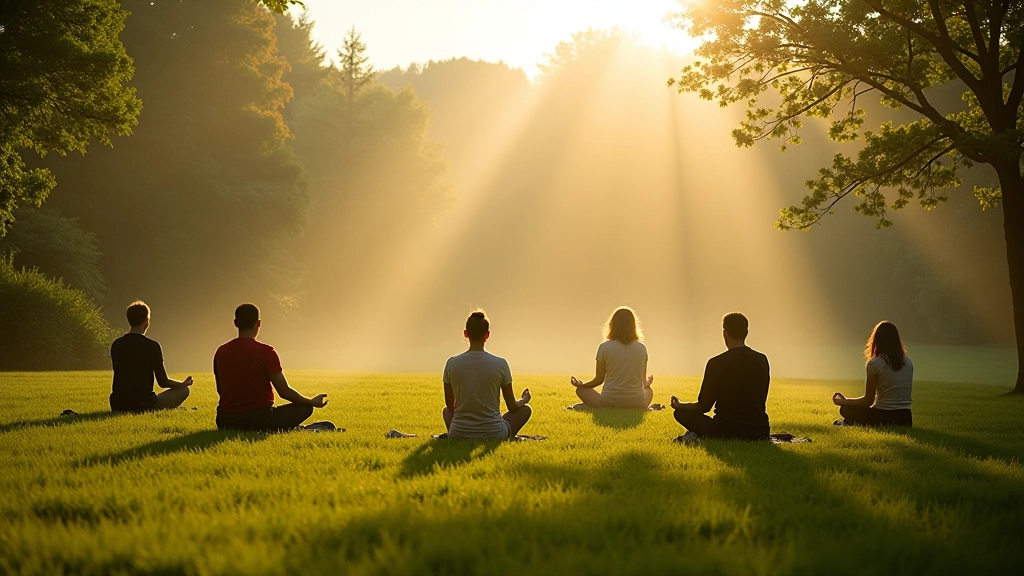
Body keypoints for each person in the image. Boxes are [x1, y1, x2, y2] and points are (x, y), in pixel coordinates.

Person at [214, 303, 328, 431]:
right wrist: (310, 401)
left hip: (224, 420)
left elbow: (221, 390)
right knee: (304, 408)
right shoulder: (266, 352)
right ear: (258, 324)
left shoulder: (221, 351)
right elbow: (284, 391)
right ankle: (288, 429)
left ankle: (287, 428)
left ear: (235, 323)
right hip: (259, 419)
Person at [670, 313, 770, 442]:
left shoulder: (716, 363)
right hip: (759, 432)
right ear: (746, 333)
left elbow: (704, 407)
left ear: (725, 333)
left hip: (725, 431)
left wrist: (680, 405)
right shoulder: (762, 360)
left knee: (680, 414)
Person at [442, 310, 532, 439]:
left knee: (446, 411)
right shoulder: (500, 363)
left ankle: (466, 432)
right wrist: (524, 400)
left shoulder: (452, 363)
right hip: (494, 433)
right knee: (525, 410)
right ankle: (503, 432)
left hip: (458, 433)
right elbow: (512, 406)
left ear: (465, 334)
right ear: (487, 335)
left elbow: (450, 406)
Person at [109, 301, 193, 412]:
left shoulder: (117, 344)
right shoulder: (152, 346)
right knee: (184, 390)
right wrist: (182, 384)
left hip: (117, 405)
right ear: (146, 321)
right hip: (145, 404)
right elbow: (163, 382)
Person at [569, 306, 654, 409]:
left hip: (609, 401)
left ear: (612, 324)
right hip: (637, 402)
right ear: (634, 325)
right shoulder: (642, 348)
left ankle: (591, 407)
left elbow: (599, 379)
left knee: (580, 390)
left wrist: (582, 385)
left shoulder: (604, 347)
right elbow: (642, 382)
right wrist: (648, 383)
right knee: (649, 390)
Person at [832, 321, 913, 427]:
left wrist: (845, 401)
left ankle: (849, 422)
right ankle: (851, 422)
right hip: (905, 418)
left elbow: (868, 401)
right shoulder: (908, 362)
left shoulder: (875, 363)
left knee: (846, 409)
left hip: (883, 415)